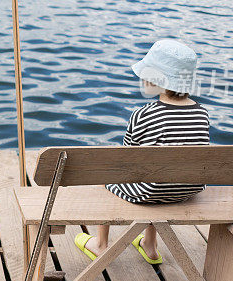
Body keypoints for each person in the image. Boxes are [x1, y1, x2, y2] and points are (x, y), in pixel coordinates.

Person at [75, 39, 209, 264]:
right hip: (188, 191)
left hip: (150, 194)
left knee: (109, 174)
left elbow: (126, 162)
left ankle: (100, 244)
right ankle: (150, 245)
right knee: (161, 172)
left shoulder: (143, 114)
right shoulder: (202, 114)